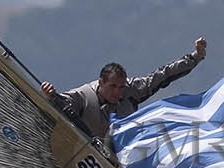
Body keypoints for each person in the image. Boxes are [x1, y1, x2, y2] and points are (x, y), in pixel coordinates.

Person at [41, 38, 208, 144]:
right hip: (87, 155)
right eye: (113, 87)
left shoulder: (132, 90)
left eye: (121, 87)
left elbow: (163, 75)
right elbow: (59, 104)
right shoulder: (82, 96)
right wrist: (50, 95)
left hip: (124, 157)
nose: (118, 92)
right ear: (101, 83)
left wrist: (195, 57)